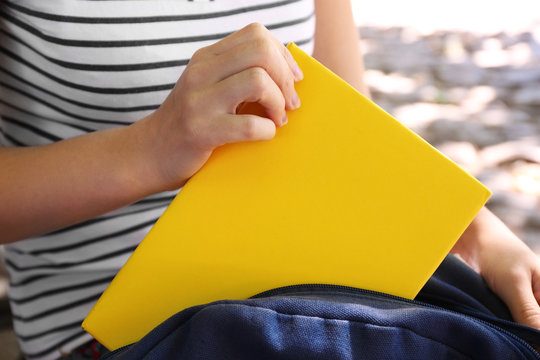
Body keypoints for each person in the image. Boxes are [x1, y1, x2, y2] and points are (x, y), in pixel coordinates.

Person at [0, 0, 538, 359]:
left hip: (322, 289)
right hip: (117, 333)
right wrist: (147, 150)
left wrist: (472, 228)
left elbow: (351, 123)